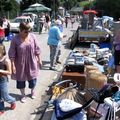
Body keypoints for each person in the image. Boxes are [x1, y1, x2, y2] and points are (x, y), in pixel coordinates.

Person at [8, 22, 42, 103]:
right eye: (25, 32)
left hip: (32, 61)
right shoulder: (15, 39)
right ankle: (23, 95)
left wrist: (39, 59)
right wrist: (13, 65)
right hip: (20, 63)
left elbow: (37, 48)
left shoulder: (32, 36)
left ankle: (32, 91)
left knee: (33, 79)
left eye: (29, 31)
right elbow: (12, 53)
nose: (27, 33)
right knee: (20, 80)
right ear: (20, 30)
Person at [0, 44, 16, 115]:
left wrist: (0, 71)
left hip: (3, 80)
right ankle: (1, 108)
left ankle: (12, 101)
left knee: (5, 96)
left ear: (2, 51)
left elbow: (10, 72)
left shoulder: (6, 60)